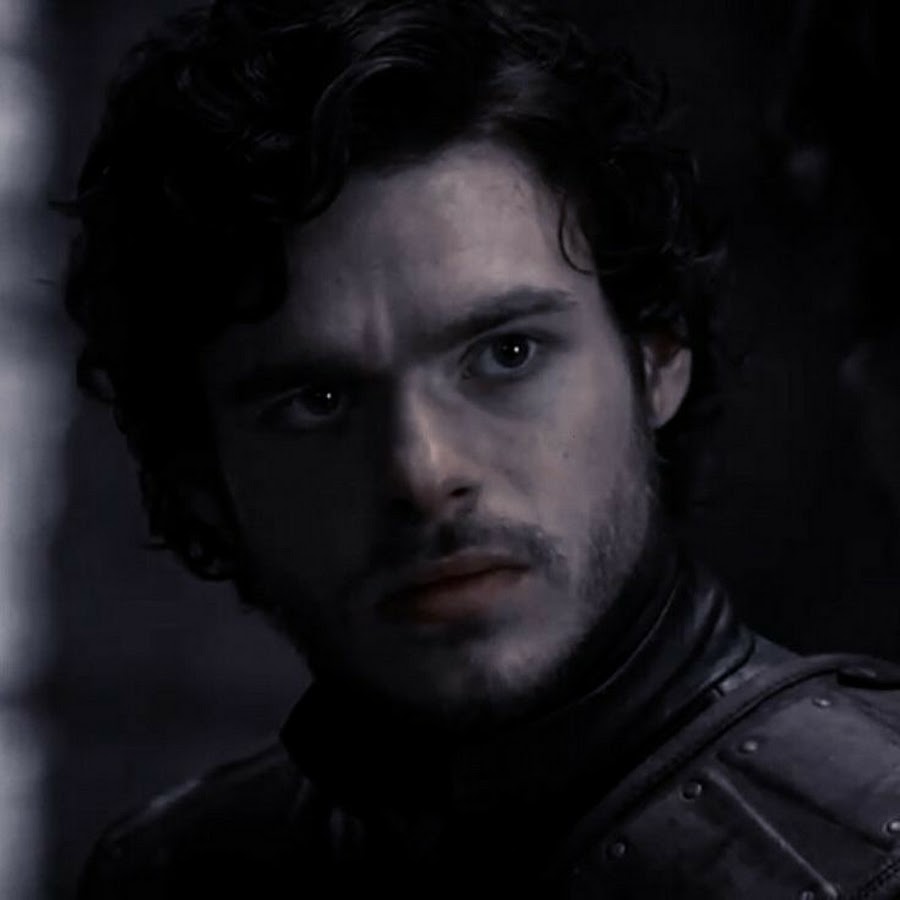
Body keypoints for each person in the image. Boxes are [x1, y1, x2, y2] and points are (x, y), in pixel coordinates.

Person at [65, 1, 900, 897]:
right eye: (317, 401)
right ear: (202, 478)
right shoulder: (172, 872)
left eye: (507, 355)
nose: (424, 473)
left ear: (657, 361)